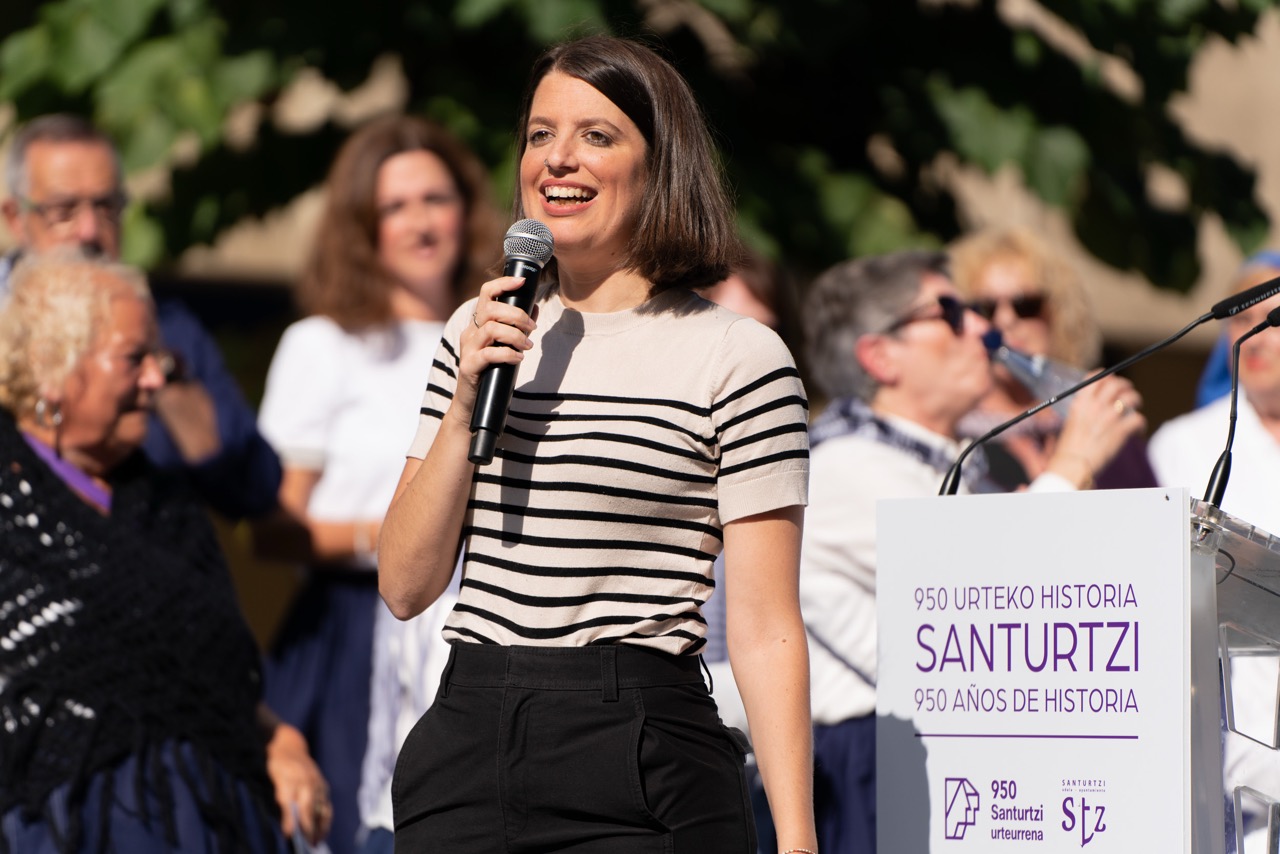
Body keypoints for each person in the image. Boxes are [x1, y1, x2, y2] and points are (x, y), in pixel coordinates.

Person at [379, 34, 816, 853]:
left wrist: (796, 839)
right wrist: (466, 400)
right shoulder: (479, 330)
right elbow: (404, 585)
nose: (558, 159)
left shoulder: (738, 355)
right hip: (470, 736)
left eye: (597, 135)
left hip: (637, 746)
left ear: (661, 164)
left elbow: (766, 627)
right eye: (540, 134)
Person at [799, 250, 1145, 854]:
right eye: (952, 314)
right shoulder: (842, 465)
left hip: (956, 762)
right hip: (876, 770)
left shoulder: (955, 461)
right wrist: (1072, 463)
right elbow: (982, 597)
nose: (985, 327)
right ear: (881, 356)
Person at [0, 251, 328, 853]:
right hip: (63, 828)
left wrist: (281, 741)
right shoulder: (11, 502)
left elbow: (217, 671)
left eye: (160, 359)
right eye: (134, 358)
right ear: (55, 366)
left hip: (211, 817)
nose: (156, 379)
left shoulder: (166, 503)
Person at [252, 114, 501, 854]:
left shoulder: (507, 334)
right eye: (395, 206)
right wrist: (396, 534)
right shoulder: (324, 345)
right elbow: (273, 529)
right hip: (358, 629)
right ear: (363, 226)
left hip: (482, 626)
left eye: (436, 199)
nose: (421, 223)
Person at [1, 113, 281, 520]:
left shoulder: (168, 328)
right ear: (15, 217)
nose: (89, 230)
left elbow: (256, 491)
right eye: (64, 210)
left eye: (106, 206)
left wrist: (157, 369)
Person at [948, 226, 1158, 491]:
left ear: (1059, 314)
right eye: (985, 309)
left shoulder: (1099, 421)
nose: (1005, 319)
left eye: (1026, 305)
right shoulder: (951, 438)